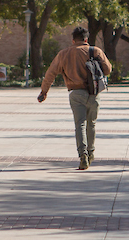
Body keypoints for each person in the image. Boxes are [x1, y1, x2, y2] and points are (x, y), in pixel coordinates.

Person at [37, 27, 113, 170]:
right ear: (86, 39)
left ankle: (82, 155)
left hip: (76, 93)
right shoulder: (95, 51)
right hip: (93, 93)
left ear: (73, 40)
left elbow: (50, 73)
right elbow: (108, 69)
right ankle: (91, 153)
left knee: (80, 125)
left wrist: (44, 91)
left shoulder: (63, 54)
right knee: (92, 124)